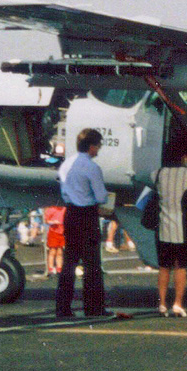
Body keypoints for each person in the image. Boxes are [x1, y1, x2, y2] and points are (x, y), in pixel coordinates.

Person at [56, 129, 110, 318]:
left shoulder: (66, 165)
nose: (99, 150)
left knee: (69, 262)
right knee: (92, 264)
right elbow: (101, 196)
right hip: (87, 215)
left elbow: (63, 191)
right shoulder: (92, 168)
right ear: (92, 146)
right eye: (98, 146)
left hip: (71, 213)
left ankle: (63, 307)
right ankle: (94, 307)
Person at [152, 146, 187, 317]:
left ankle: (162, 304)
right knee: (180, 267)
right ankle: (178, 304)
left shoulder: (157, 173)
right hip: (182, 227)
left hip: (162, 227)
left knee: (164, 267)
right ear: (185, 156)